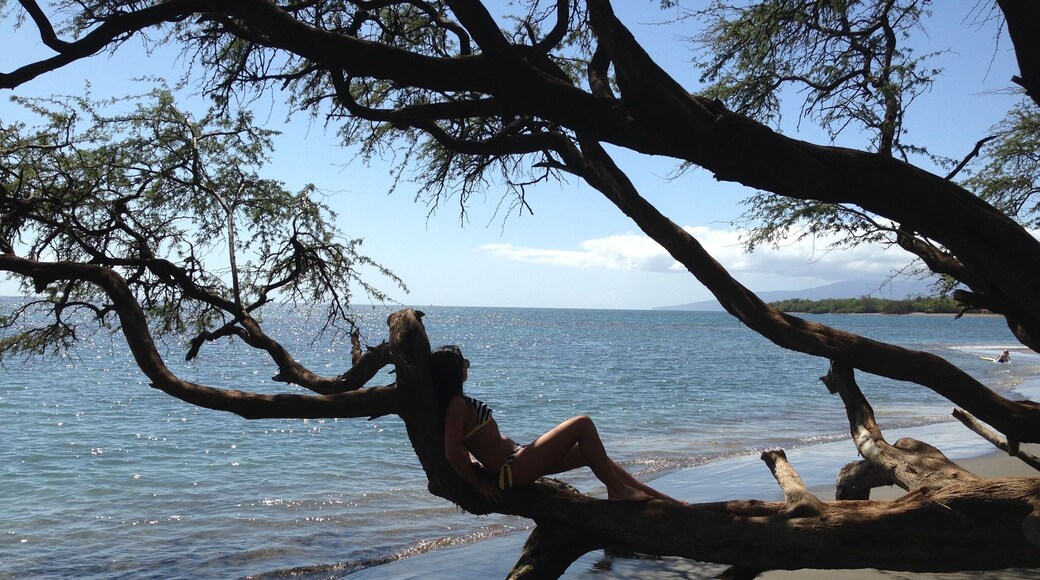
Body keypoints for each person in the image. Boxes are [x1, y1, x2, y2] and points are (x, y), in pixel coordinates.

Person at [430, 344, 678, 504]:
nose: (467, 367)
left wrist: (474, 463)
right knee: (582, 423)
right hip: (511, 470)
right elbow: (452, 452)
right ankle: (617, 491)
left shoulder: (456, 404)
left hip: (517, 460)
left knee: (591, 454)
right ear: (455, 371)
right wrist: (478, 484)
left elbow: (462, 447)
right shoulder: (456, 406)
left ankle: (661, 500)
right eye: (465, 363)